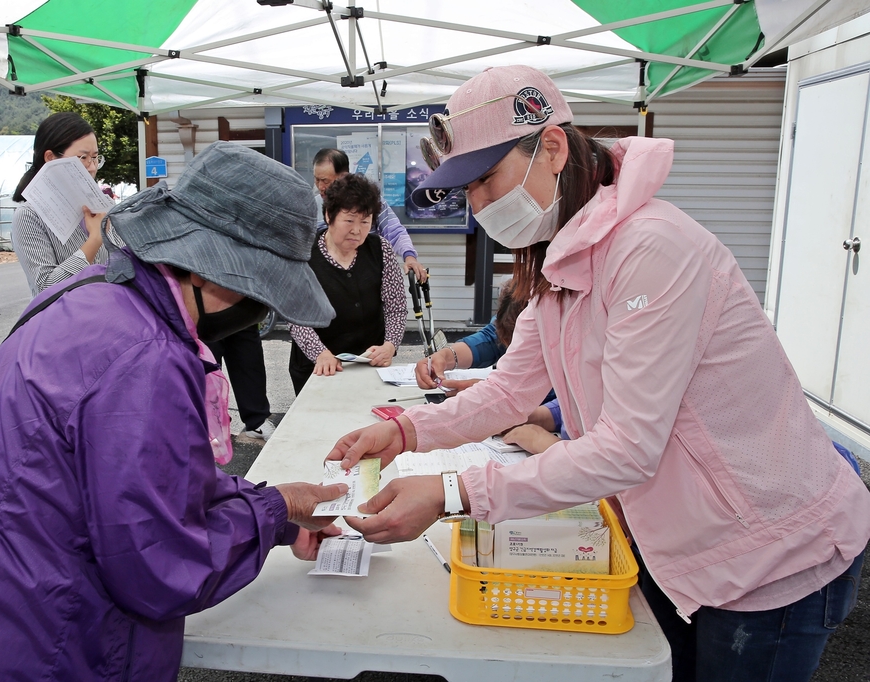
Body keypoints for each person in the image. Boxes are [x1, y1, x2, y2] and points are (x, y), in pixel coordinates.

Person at [327, 65, 870, 682]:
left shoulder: (652, 249)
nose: (476, 205)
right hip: (678, 542)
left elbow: (628, 446)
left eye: (484, 181)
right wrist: (406, 433)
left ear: (551, 148)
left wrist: (455, 493)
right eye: (466, 190)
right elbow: (511, 387)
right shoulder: (560, 257)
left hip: (770, 547)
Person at [0, 142, 350, 682]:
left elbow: (153, 485)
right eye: (264, 290)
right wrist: (275, 509)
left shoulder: (95, 292)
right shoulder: (146, 359)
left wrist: (281, 511)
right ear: (217, 275)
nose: (262, 311)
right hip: (31, 650)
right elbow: (160, 566)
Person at [288, 173, 406, 394]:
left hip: (369, 363)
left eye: (365, 221)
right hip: (320, 366)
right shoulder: (303, 254)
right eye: (349, 220)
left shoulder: (381, 249)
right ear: (328, 215)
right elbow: (296, 317)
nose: (357, 230)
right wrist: (320, 353)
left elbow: (396, 306)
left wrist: (390, 345)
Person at [11, 112, 121, 295]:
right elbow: (45, 288)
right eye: (82, 158)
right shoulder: (29, 215)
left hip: (111, 317)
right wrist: (94, 240)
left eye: (95, 157)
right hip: (67, 322)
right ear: (51, 158)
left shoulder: (102, 206)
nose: (92, 167)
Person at [313, 148, 428, 281]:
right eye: (317, 180)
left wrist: (409, 257)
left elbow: (394, 230)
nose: (320, 187)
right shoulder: (311, 205)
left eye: (326, 181)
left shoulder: (369, 200)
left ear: (343, 176)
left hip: (368, 276)